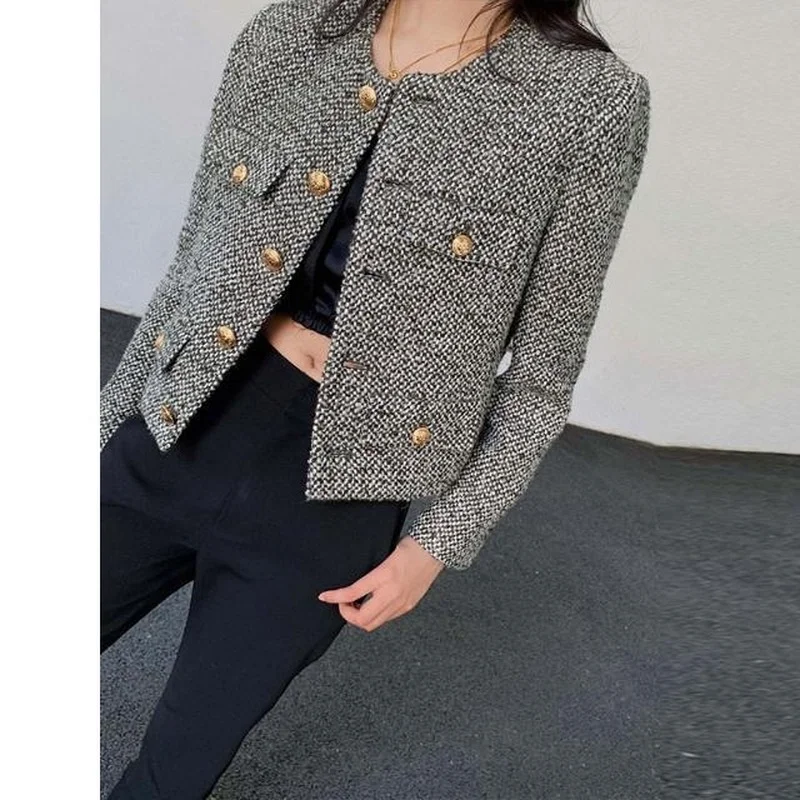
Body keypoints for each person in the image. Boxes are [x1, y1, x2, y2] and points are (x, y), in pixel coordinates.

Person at [100, 0, 652, 796]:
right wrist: (102, 425)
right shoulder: (290, 32)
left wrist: (435, 546)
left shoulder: (592, 101)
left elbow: (541, 380)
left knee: (172, 772)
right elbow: (195, 258)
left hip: (329, 506)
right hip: (177, 427)